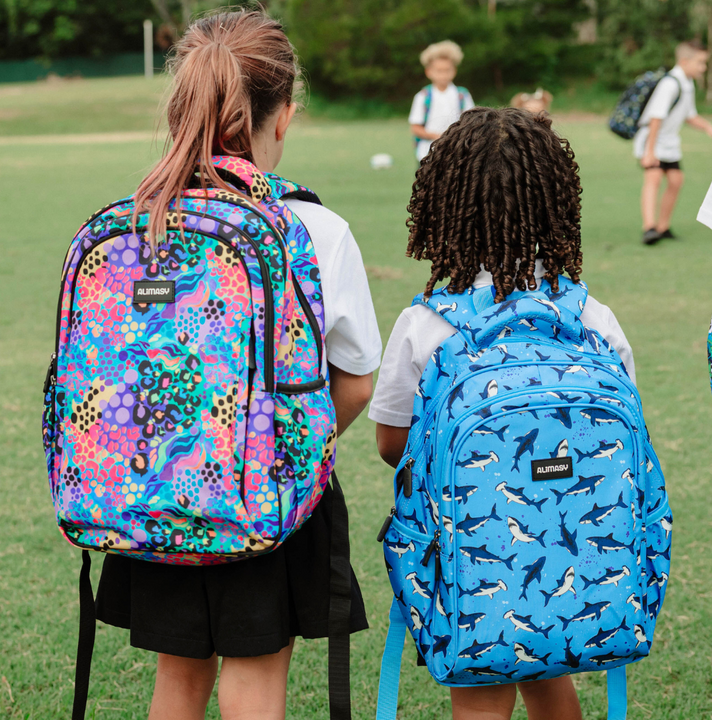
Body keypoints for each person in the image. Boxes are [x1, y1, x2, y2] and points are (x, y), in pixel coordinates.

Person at [93, 10, 382, 720]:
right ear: (283, 115)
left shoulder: (139, 219)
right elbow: (357, 379)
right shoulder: (316, 227)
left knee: (178, 679)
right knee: (256, 681)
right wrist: (284, 441)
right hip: (266, 498)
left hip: (153, 489)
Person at [368, 107, 636, 720]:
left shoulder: (426, 323)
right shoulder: (593, 319)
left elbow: (393, 445)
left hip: (475, 551)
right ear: (557, 203)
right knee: (551, 669)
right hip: (581, 556)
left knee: (482, 689)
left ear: (441, 206)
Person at [634, 40, 712, 245]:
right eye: (701, 63)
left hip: (669, 142)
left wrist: (707, 127)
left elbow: (689, 115)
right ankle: (649, 228)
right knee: (654, 179)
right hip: (652, 139)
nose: (703, 68)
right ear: (685, 61)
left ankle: (663, 226)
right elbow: (655, 118)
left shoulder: (687, 83)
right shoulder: (670, 84)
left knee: (676, 180)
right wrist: (649, 152)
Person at [409, 40, 474, 163]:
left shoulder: (462, 95)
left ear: (454, 71)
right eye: (439, 71)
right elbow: (415, 127)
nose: (443, 75)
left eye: (447, 70)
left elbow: (471, 122)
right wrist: (437, 137)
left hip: (457, 153)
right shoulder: (422, 96)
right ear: (429, 72)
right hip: (427, 153)